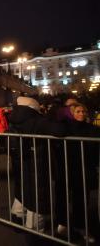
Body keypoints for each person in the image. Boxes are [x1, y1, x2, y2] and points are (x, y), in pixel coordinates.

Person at [8, 97, 66, 232]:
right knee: (37, 197)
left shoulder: (14, 118)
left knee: (23, 190)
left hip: (21, 161)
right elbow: (60, 131)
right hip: (38, 163)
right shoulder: (37, 121)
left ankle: (17, 217)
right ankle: (35, 232)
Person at [55, 103, 99, 243]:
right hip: (68, 168)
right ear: (72, 113)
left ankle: (81, 226)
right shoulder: (66, 128)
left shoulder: (92, 128)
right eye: (78, 111)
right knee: (64, 197)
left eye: (83, 111)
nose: (81, 114)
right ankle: (63, 224)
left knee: (81, 199)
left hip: (84, 168)